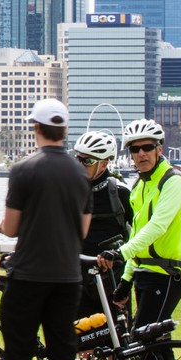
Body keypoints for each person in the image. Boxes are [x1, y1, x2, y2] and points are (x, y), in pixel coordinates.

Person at [0, 98, 91, 360]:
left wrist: (1, 225)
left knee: (18, 358)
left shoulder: (24, 169)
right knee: (63, 358)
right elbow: (84, 229)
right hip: (67, 278)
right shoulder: (80, 173)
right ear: (64, 130)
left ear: (37, 128)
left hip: (28, 277)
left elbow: (11, 227)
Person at [98, 118, 181, 360]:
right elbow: (136, 233)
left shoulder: (172, 181)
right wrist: (125, 280)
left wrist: (121, 253)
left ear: (159, 148)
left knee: (144, 338)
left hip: (167, 274)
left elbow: (157, 227)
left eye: (147, 148)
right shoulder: (140, 186)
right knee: (153, 340)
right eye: (135, 150)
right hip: (145, 275)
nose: (141, 154)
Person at [72, 130, 132, 320]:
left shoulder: (120, 193)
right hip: (79, 277)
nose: (80, 165)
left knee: (117, 344)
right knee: (82, 342)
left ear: (104, 163)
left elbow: (138, 234)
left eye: (87, 161)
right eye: (78, 159)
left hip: (112, 279)